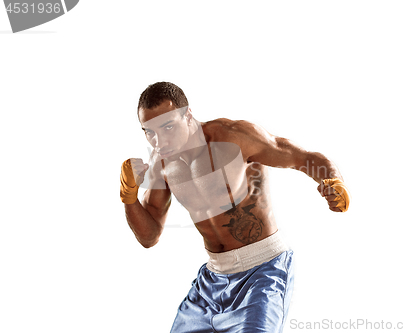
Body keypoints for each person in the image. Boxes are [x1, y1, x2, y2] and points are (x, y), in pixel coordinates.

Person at [119, 82, 350, 333]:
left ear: (188, 115)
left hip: (263, 271)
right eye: (149, 132)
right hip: (211, 281)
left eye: (167, 127)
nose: (159, 141)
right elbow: (149, 236)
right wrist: (128, 197)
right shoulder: (161, 165)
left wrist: (334, 181)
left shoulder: (233, 136)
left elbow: (303, 157)